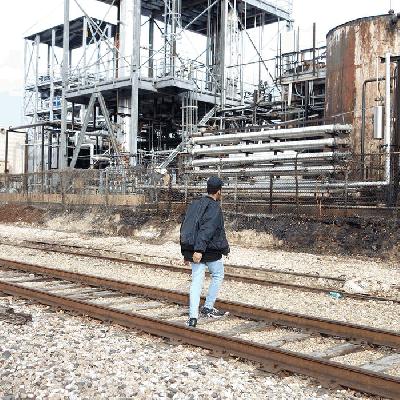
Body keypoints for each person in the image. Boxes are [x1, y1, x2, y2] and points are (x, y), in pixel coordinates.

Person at [180, 176, 230, 328]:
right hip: (208, 251)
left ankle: (193, 317)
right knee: (218, 274)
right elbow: (207, 230)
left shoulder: (195, 204)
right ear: (219, 191)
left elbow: (186, 226)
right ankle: (208, 307)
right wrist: (199, 250)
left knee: (196, 281)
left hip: (195, 249)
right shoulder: (214, 207)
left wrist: (186, 252)